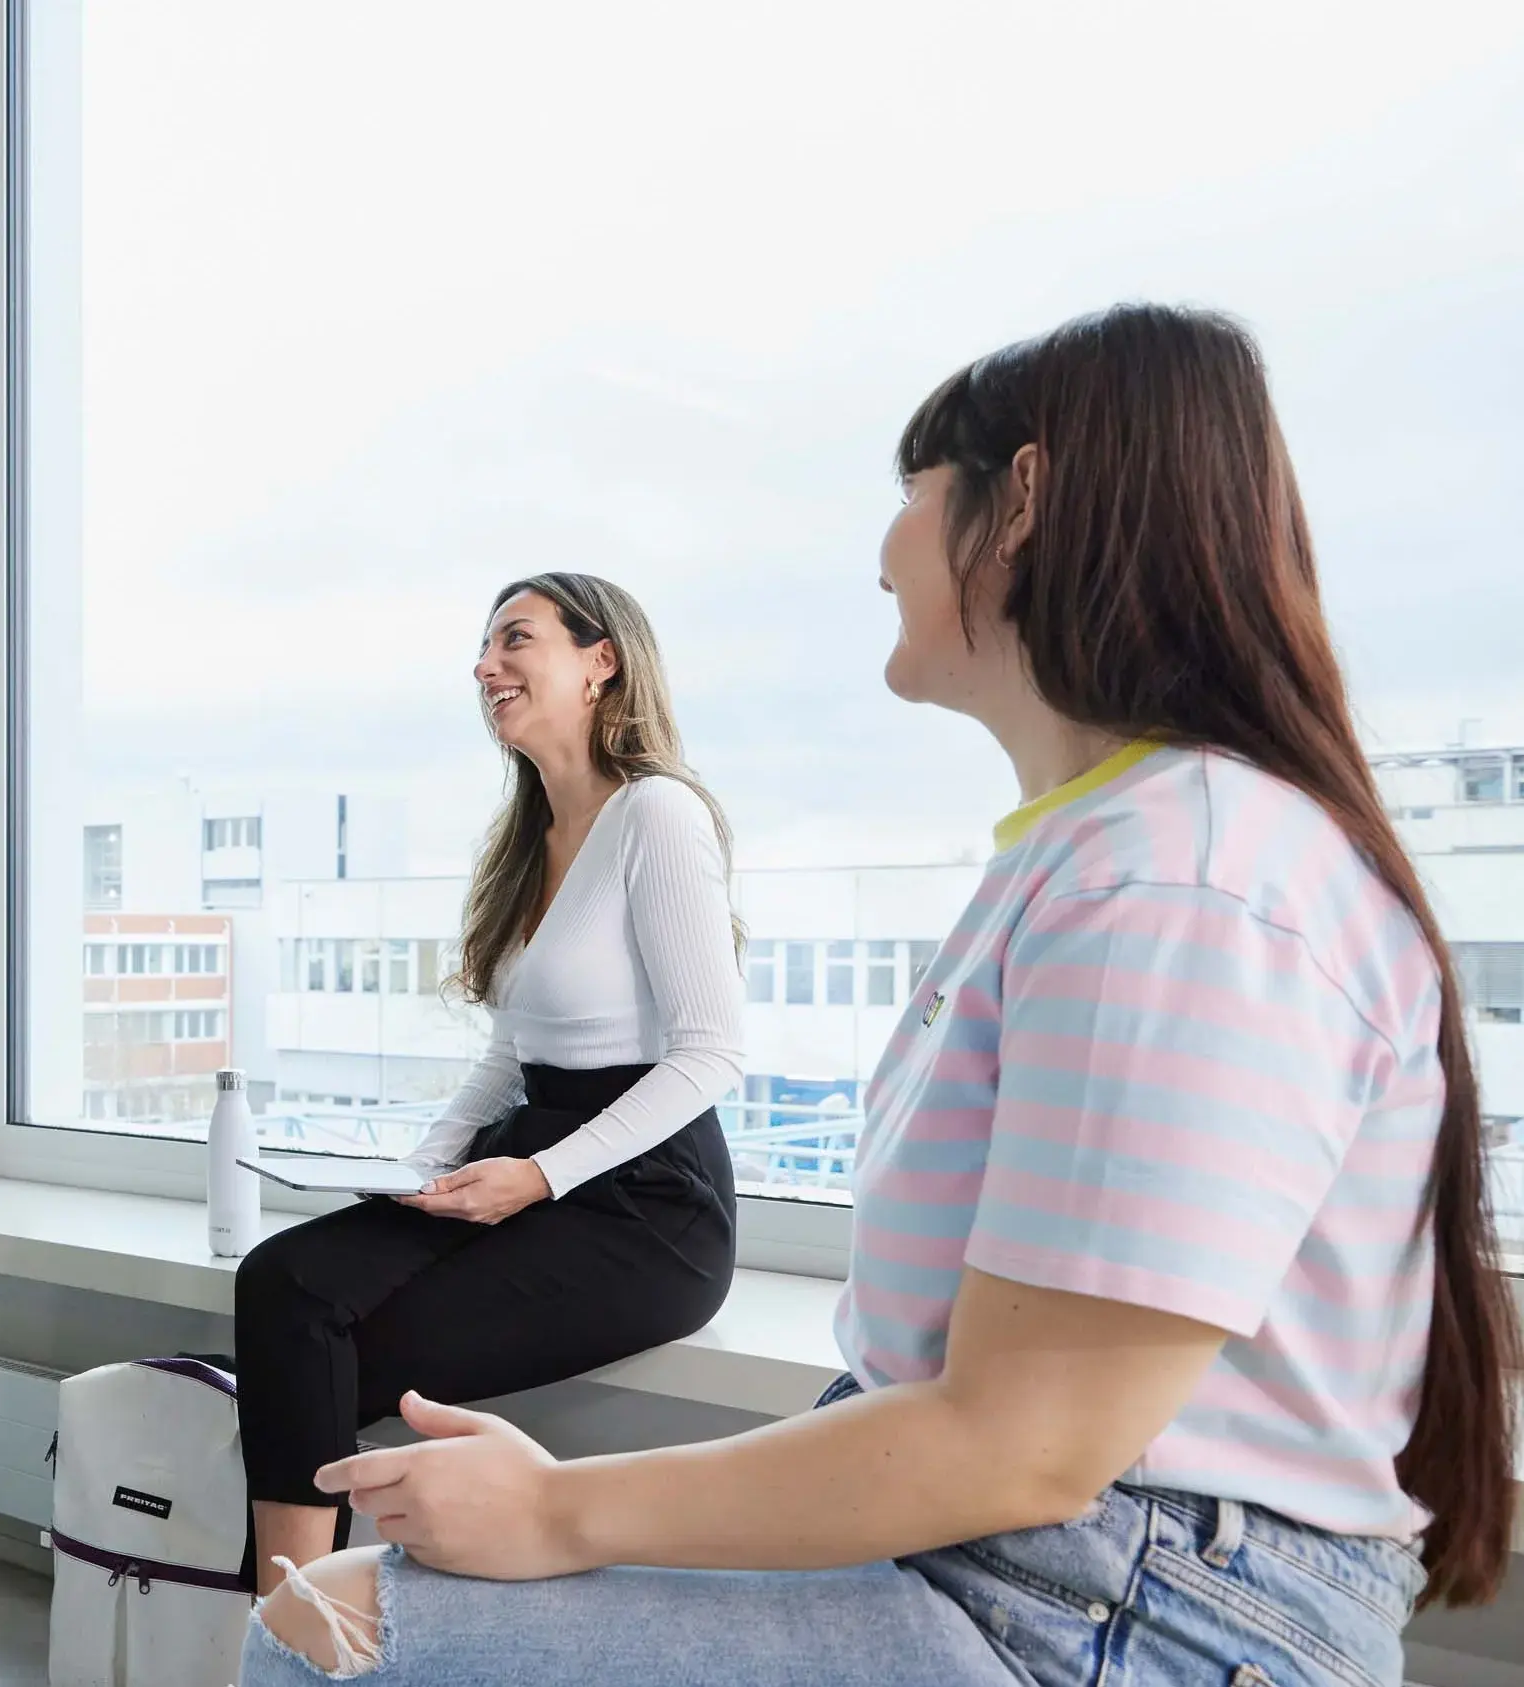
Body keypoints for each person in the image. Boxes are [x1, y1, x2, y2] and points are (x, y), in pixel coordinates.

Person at [247, 304, 1518, 1687]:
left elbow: (1023, 1445)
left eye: (914, 489)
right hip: (1022, 1550)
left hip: (1123, 1606)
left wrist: (559, 1509)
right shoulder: (1101, 854)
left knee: (334, 1631)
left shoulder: (1177, 885)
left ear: (1019, 501)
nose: (885, 547)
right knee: (332, 1566)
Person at [231, 574, 744, 1592]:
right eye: (483, 646)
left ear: (601, 662)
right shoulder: (532, 839)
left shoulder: (657, 813)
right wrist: (420, 1167)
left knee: (318, 1349)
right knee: (282, 1283)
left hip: (648, 1203)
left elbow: (712, 1052)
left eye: (517, 639)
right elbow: (511, 1055)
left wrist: (540, 1176)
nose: (485, 666)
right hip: (528, 1153)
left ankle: (301, 1619)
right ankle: (294, 1618)